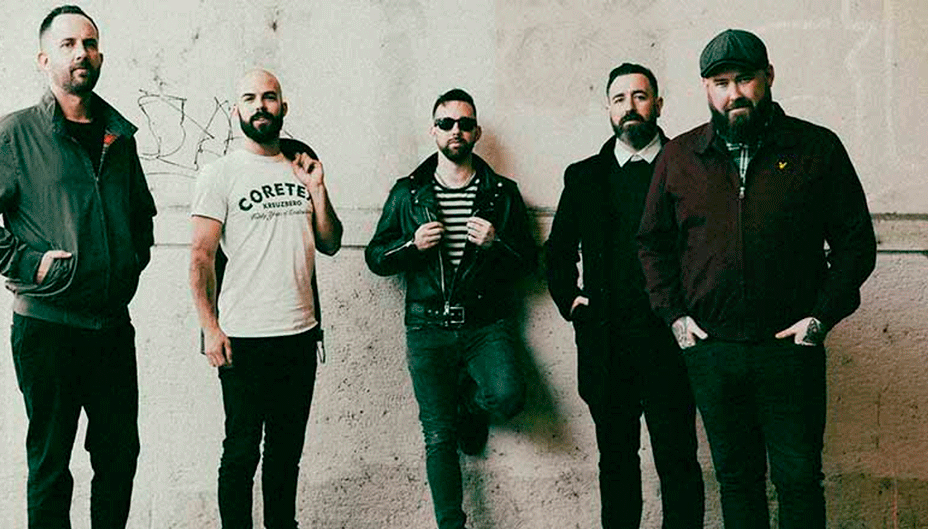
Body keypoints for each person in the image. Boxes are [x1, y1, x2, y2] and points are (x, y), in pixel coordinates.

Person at [637, 29, 877, 528]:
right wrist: (676, 317)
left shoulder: (815, 148)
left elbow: (856, 243)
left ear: (768, 77)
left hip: (790, 351)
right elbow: (652, 243)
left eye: (744, 79)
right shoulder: (680, 156)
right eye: (721, 83)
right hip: (713, 352)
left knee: (799, 479)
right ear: (706, 89)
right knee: (737, 482)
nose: (734, 94)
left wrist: (820, 318)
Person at [0, 5, 156, 528]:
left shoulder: (119, 136)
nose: (81, 53)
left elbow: (141, 216)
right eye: (67, 45)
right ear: (44, 60)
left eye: (89, 43)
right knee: (50, 465)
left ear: (100, 56)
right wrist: (29, 264)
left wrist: (129, 263)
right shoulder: (16, 135)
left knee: (119, 458)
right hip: (47, 329)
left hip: (112, 330)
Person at [365, 89, 536, 529]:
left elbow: (530, 262)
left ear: (476, 132)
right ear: (433, 131)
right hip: (427, 326)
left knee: (509, 396)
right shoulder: (408, 193)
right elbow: (376, 257)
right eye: (446, 123)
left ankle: (471, 406)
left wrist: (496, 244)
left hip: (485, 323)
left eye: (464, 124)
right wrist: (411, 245)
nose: (455, 130)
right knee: (438, 434)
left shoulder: (502, 193)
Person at [545, 63, 704, 528]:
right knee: (615, 462)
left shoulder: (688, 167)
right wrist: (572, 303)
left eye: (640, 96)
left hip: (670, 343)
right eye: (619, 98)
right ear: (608, 109)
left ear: (658, 104)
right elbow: (557, 251)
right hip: (606, 343)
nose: (630, 106)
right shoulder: (584, 176)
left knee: (678, 459)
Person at [189, 68, 343, 529]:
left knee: (285, 454)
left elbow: (331, 242)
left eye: (269, 97)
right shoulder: (220, 173)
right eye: (250, 98)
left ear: (283, 107)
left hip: (299, 335)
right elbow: (200, 256)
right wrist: (210, 328)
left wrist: (317, 188)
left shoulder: (302, 167)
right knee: (240, 454)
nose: (260, 106)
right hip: (243, 338)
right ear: (236, 109)